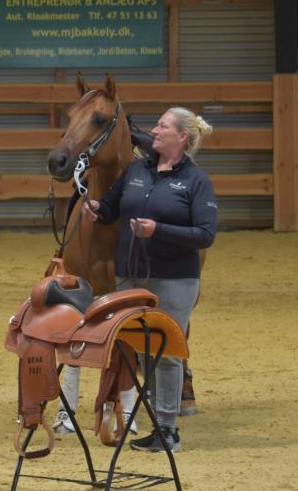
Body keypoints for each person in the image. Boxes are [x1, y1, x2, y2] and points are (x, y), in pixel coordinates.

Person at [82, 106, 217, 453]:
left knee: (167, 352)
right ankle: (158, 422)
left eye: (161, 126)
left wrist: (159, 230)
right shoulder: (136, 169)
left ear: (181, 136)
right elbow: (111, 208)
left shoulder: (196, 181)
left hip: (174, 280)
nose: (153, 131)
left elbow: (205, 234)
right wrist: (96, 209)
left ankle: (168, 429)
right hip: (130, 277)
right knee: (143, 352)